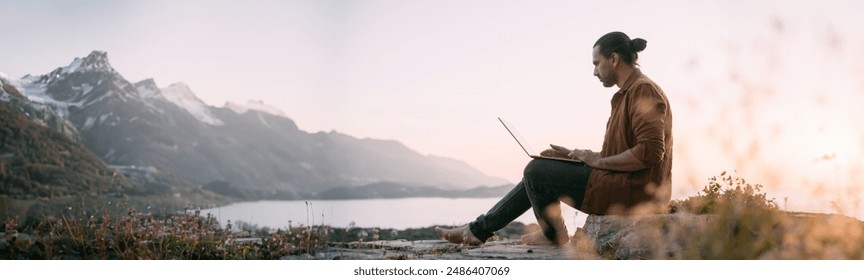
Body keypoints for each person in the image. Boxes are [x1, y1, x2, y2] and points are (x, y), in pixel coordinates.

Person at [435, 31, 673, 245]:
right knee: (542, 169)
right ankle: (484, 230)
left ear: (613, 59)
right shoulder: (626, 95)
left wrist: (596, 161)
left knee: (537, 171)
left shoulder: (643, 90)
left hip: (635, 193)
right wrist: (574, 156)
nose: (594, 72)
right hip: (621, 184)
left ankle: (518, 233)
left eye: (596, 63)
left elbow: (649, 153)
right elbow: (621, 153)